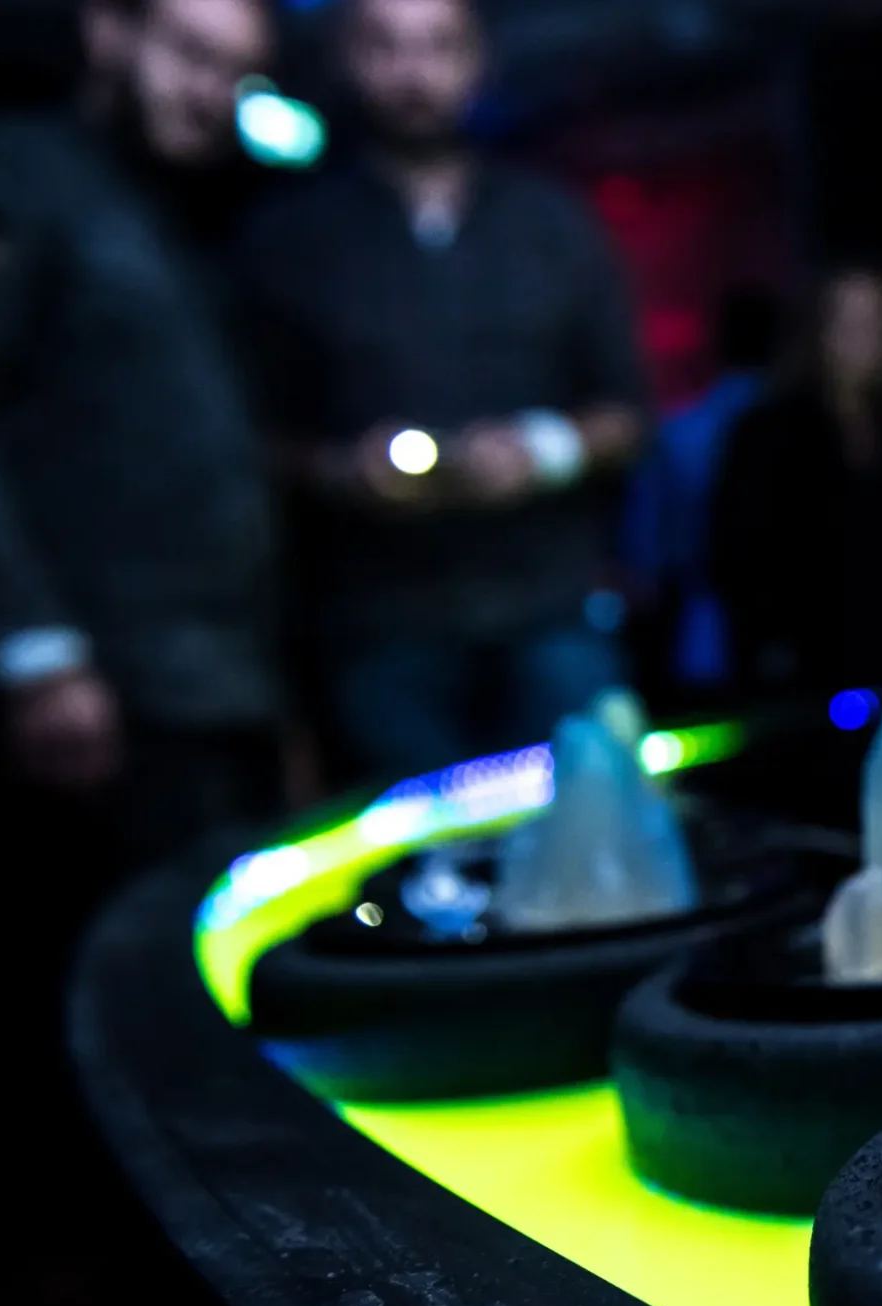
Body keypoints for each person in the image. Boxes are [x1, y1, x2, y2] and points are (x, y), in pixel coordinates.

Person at [0, 0, 286, 867]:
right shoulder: (3, 169)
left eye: (238, 75)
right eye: (192, 55)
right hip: (95, 693)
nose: (212, 95)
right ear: (108, 33)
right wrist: (32, 652)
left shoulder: (176, 207)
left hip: (211, 684)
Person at [239, 0, 648, 784]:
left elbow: (630, 409)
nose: (413, 73)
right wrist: (340, 472)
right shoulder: (285, 241)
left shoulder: (553, 224)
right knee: (418, 872)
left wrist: (542, 451)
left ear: (475, 61)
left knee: (592, 842)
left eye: (437, 47)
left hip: (550, 608)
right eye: (386, 47)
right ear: (346, 60)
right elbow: (245, 440)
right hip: (379, 628)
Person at [709, 267, 882, 697]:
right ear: (815, 330)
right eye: (845, 323)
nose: (859, 340)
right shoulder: (767, 434)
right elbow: (740, 553)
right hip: (810, 670)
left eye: (873, 324)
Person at [618, 286, 779, 695]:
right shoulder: (793, 426)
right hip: (730, 610)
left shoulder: (683, 429)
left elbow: (647, 540)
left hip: (700, 614)